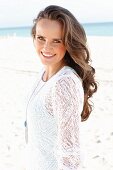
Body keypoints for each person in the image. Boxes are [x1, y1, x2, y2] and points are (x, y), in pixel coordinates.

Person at [24, 5, 97, 170]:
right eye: (41, 38)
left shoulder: (64, 84)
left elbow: (71, 156)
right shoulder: (43, 72)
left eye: (57, 41)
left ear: (69, 43)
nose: (46, 48)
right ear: (34, 37)